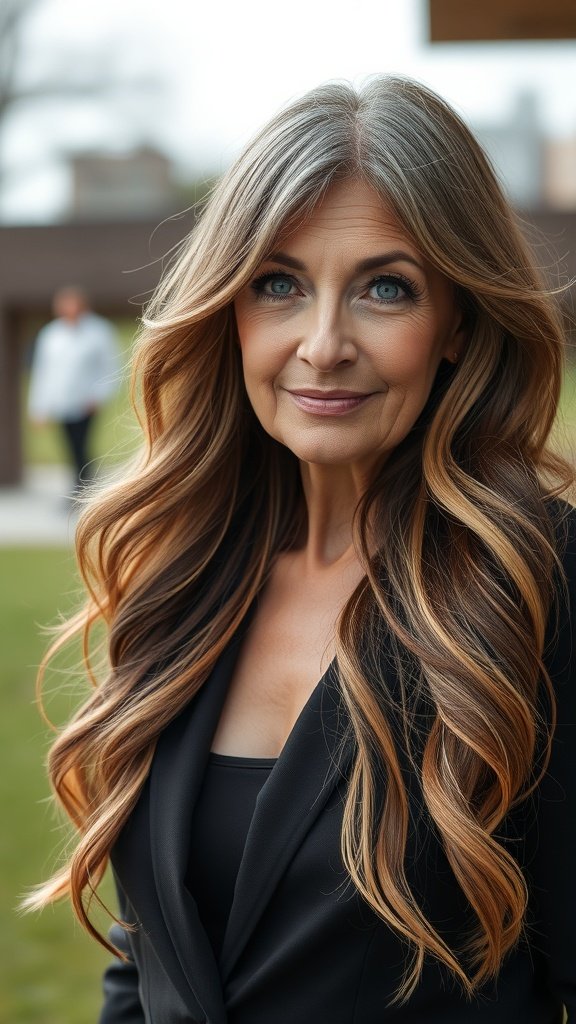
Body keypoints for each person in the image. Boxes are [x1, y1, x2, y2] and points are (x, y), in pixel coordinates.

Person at [27, 76, 575, 1022]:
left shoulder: (539, 586)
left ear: (456, 323)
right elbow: (152, 962)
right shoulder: (179, 574)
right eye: (278, 284)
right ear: (229, 309)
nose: (323, 345)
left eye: (385, 289)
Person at [27, 286, 120, 492]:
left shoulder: (98, 331)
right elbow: (43, 372)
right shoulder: (51, 334)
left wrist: (99, 396)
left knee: (82, 445)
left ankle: (83, 487)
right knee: (70, 447)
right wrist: (39, 407)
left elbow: (110, 367)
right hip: (61, 401)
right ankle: (80, 486)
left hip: (86, 401)